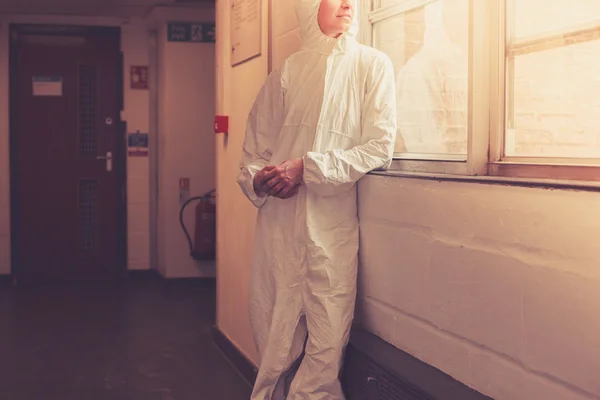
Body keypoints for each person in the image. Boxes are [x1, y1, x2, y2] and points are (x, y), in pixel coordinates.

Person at [237, 0, 396, 398]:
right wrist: (263, 180)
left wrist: (306, 168)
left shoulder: (372, 65)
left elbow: (379, 146)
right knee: (273, 345)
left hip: (331, 231)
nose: (348, 4)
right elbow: (252, 155)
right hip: (279, 231)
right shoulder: (286, 73)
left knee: (326, 349)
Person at [395, 0, 469, 155]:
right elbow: (429, 147)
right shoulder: (417, 71)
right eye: (453, 11)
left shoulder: (460, 66)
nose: (462, 18)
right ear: (438, 16)